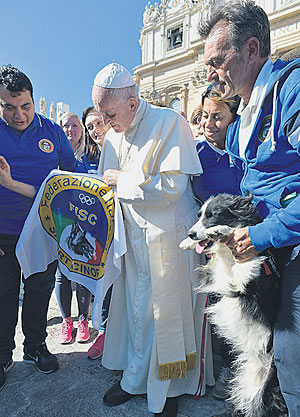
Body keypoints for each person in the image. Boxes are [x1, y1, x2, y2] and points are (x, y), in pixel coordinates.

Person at [93, 62, 214, 417]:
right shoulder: (114, 134)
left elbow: (173, 188)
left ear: (132, 103)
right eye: (101, 114)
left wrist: (121, 182)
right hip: (132, 240)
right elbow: (105, 185)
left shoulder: (168, 122)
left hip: (169, 239)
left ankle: (168, 387)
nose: (106, 123)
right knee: (135, 312)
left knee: (163, 315)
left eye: (110, 113)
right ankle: (134, 378)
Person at [199, 1, 300, 416]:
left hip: (291, 242)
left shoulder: (291, 91)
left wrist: (258, 235)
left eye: (218, 61)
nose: (210, 74)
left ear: (252, 50)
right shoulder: (241, 123)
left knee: (290, 352)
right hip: (269, 244)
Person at [0, 65, 76, 391]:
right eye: (9, 107)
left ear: (33, 100)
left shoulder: (53, 132)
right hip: (3, 232)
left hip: (44, 231)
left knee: (39, 291)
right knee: (3, 295)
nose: (20, 115)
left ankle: (35, 346)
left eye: (26, 106)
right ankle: (3, 354)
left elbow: (73, 178)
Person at [191, 86, 241, 403]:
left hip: (256, 241)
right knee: (225, 309)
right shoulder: (196, 153)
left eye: (217, 116)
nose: (209, 123)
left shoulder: (247, 148)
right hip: (218, 249)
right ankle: (227, 369)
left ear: (234, 118)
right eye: (205, 115)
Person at [55, 112, 99, 344]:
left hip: (87, 224)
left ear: (81, 130)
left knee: (82, 273)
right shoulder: (53, 154)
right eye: (65, 125)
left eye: (75, 125)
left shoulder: (91, 156)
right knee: (62, 274)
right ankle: (66, 321)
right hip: (62, 223)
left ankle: (83, 319)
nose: (70, 129)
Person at [81, 106, 112, 360]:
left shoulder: (124, 146)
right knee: (102, 283)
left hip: (123, 230)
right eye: (89, 127)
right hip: (98, 231)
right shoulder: (89, 158)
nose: (95, 130)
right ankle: (102, 332)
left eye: (98, 123)